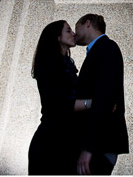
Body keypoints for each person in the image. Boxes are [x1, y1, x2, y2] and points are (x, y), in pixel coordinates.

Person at [28, 20, 95, 175]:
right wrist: (94, 103)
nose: (74, 34)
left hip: (66, 140)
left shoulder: (67, 64)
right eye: (68, 30)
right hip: (51, 143)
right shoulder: (49, 64)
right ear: (57, 37)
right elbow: (60, 105)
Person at [73, 14, 129, 175]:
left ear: (88, 24)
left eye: (76, 27)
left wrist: (89, 148)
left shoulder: (107, 47)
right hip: (97, 144)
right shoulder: (99, 49)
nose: (75, 33)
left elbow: (105, 97)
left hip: (99, 147)